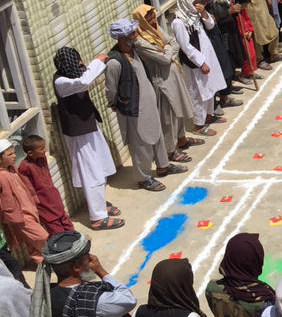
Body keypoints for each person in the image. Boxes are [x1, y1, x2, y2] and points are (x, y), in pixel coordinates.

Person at [105, 18, 184, 192]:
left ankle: (163, 165)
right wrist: (115, 104)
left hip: (149, 100)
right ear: (122, 37)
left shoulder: (136, 50)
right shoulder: (114, 62)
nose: (136, 35)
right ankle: (143, 177)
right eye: (132, 33)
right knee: (140, 141)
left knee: (156, 134)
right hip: (133, 107)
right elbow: (111, 89)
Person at [52, 47, 120, 229]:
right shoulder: (61, 81)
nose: (80, 63)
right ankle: (97, 217)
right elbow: (84, 81)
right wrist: (98, 61)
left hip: (88, 128)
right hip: (79, 134)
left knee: (101, 166)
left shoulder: (72, 75)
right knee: (91, 173)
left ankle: (99, 205)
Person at [131, 3, 196, 163]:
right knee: (168, 117)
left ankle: (181, 139)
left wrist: (167, 49)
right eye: (149, 16)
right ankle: (170, 150)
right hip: (161, 81)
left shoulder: (156, 31)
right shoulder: (140, 41)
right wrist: (168, 50)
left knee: (178, 110)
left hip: (173, 77)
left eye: (153, 14)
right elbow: (164, 59)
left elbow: (174, 42)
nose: (153, 18)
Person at [173, 0, 228, 135]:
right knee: (198, 93)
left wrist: (203, 11)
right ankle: (198, 125)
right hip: (195, 63)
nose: (197, 3)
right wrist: (201, 62)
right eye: (194, 1)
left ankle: (209, 116)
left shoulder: (195, 14)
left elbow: (210, 24)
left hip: (207, 56)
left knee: (209, 88)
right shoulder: (179, 22)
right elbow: (185, 46)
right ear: (186, 2)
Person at [0, 138, 45, 265]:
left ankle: (42, 265)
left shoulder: (12, 169)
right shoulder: (2, 176)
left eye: (14, 153)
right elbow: (6, 202)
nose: (14, 156)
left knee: (32, 244)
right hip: (21, 217)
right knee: (42, 237)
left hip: (29, 210)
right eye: (9, 154)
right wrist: (15, 219)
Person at [17, 135, 74, 236]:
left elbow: (47, 177)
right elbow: (29, 190)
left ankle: (78, 246)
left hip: (53, 197)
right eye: (42, 149)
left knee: (66, 222)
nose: (45, 150)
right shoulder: (24, 167)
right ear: (30, 153)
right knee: (57, 231)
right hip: (43, 203)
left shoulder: (41, 158)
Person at [233, 0, 281, 68]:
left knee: (274, 30)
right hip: (253, 13)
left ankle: (273, 53)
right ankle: (260, 59)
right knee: (257, 38)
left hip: (263, 9)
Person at [232, 0, 260, 80]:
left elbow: (248, 20)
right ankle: (244, 73)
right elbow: (236, 27)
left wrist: (250, 31)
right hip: (242, 39)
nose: (247, 6)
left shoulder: (244, 10)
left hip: (248, 37)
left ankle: (250, 72)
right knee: (246, 56)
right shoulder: (235, 14)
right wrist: (243, 34)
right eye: (245, 4)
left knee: (252, 54)